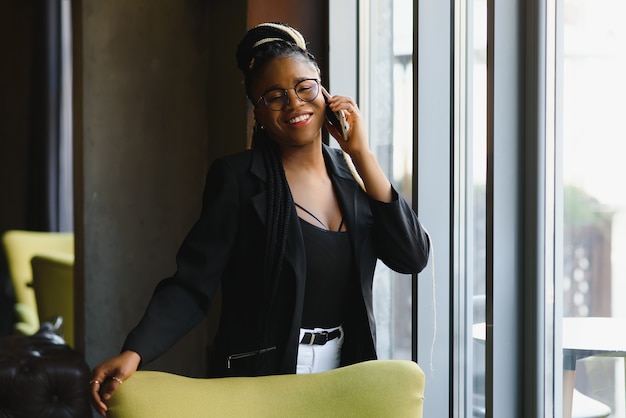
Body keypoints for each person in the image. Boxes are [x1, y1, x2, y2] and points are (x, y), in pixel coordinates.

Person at [89, 22, 430, 416]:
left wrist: (362, 155)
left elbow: (412, 257)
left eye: (305, 87)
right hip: (263, 376)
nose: (295, 103)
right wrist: (136, 351)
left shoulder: (353, 177)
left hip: (346, 372)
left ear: (325, 92)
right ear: (259, 113)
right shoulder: (237, 179)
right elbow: (192, 283)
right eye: (275, 96)